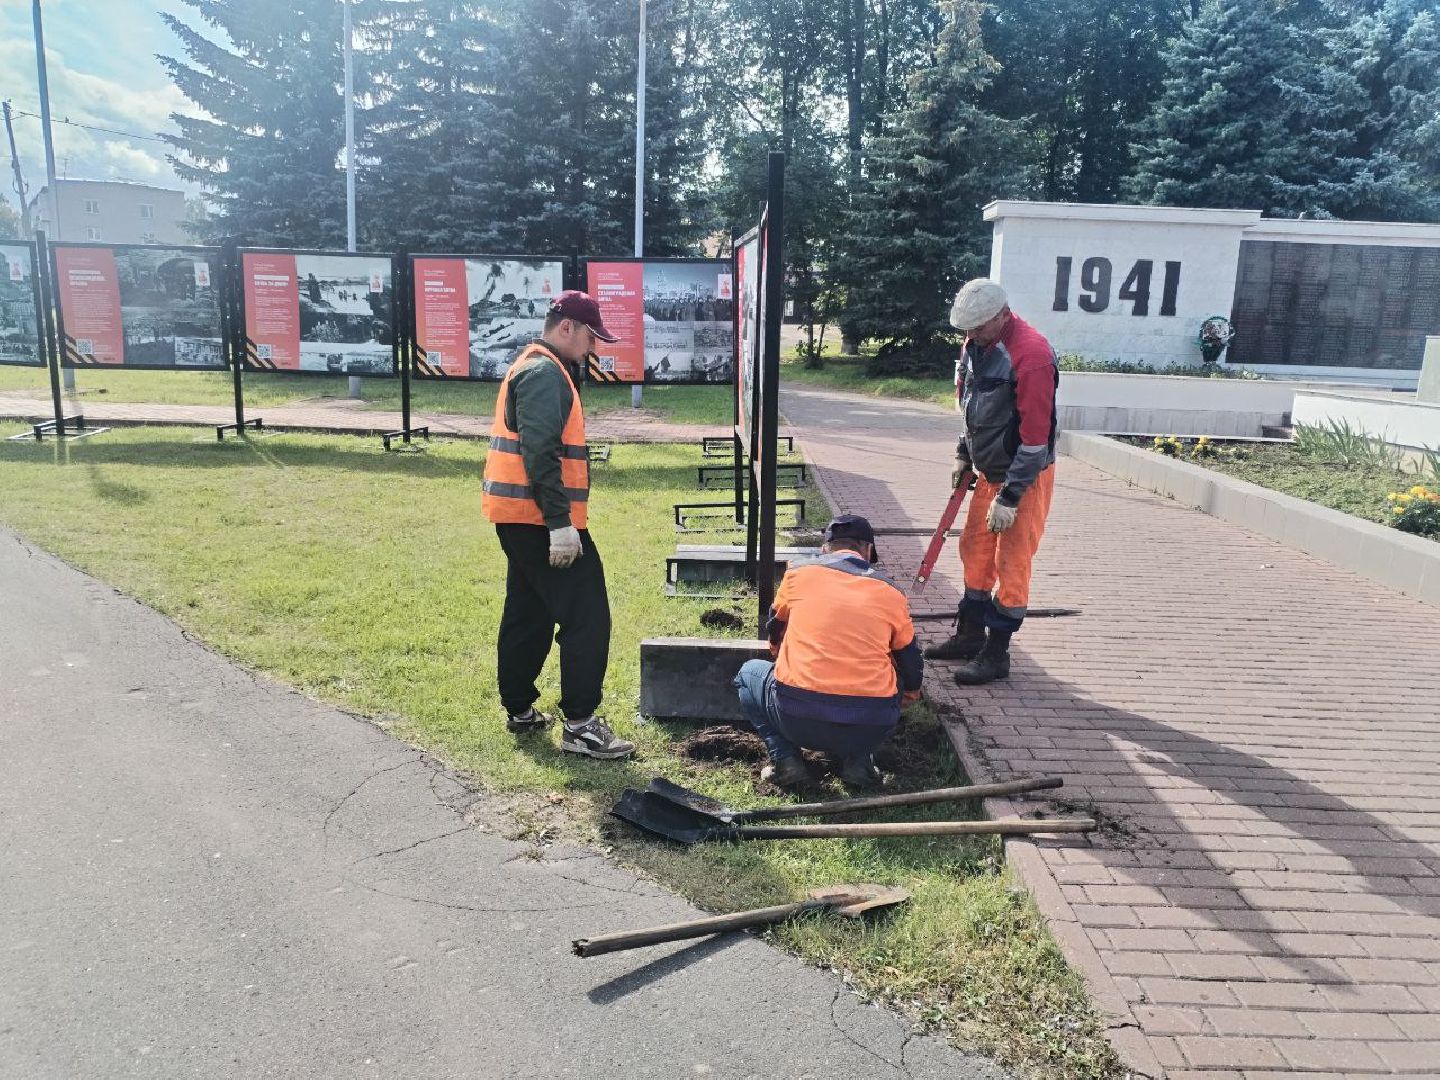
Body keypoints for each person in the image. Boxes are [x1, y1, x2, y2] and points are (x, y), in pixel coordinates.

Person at [483, 290, 634, 760]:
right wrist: (560, 525)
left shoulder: (537, 366)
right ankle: (581, 726)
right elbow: (540, 452)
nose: (593, 347)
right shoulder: (545, 373)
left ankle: (519, 708)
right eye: (591, 336)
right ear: (566, 326)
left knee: (528, 610)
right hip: (540, 520)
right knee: (586, 614)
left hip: (520, 518)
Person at [924, 278, 1059, 686]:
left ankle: (997, 653)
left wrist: (1011, 496)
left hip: (1025, 477)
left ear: (1002, 315)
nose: (971, 335)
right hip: (988, 472)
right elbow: (970, 407)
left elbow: (1035, 439)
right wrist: (963, 453)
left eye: (979, 327)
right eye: (966, 328)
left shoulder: (1032, 356)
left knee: (1012, 563)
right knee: (975, 551)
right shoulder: (974, 344)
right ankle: (970, 635)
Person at [733, 515, 924, 788]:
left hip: (796, 717)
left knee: (748, 673)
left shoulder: (797, 574)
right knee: (895, 676)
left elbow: (775, 630)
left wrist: (782, 657)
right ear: (868, 550)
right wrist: (906, 696)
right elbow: (910, 661)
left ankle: (785, 760)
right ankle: (859, 763)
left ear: (825, 549)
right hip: (870, 724)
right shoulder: (891, 592)